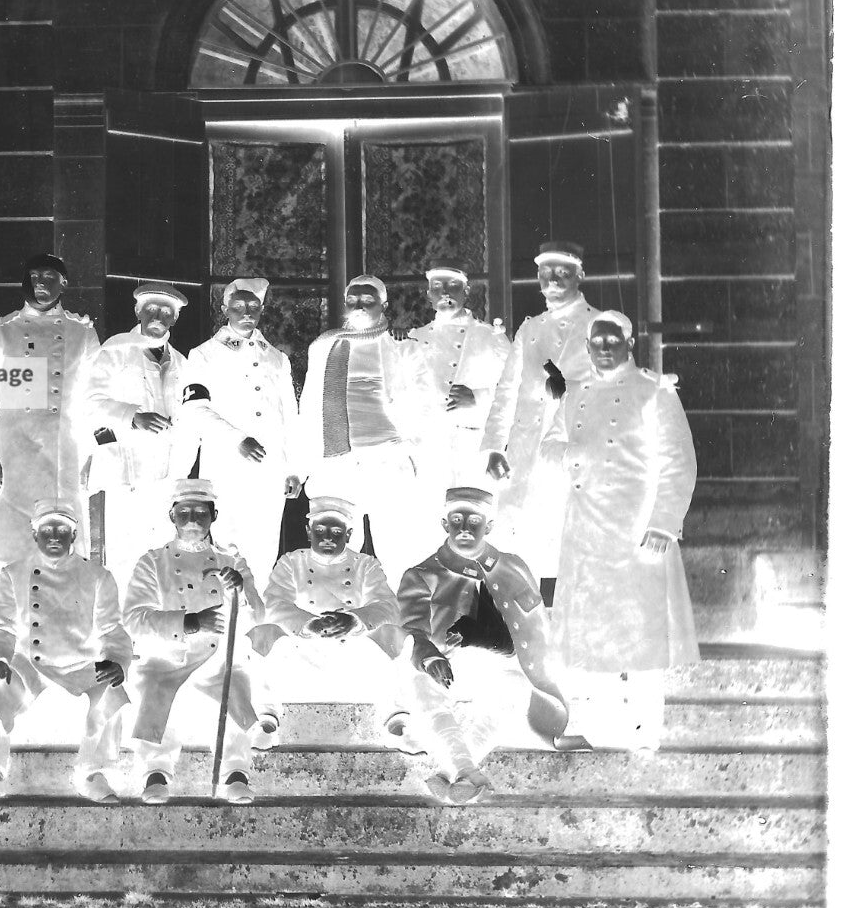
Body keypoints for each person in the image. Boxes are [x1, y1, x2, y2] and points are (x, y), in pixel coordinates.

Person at [543, 311, 698, 750]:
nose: (605, 348)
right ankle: (596, 728)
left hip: (638, 529)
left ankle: (645, 732)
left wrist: (664, 523)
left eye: (613, 340)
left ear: (629, 344)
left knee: (642, 631)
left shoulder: (654, 391)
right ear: (588, 347)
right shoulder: (575, 394)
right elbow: (548, 447)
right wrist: (569, 454)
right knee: (590, 631)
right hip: (587, 530)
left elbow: (679, 461)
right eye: (597, 342)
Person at [397, 487, 591, 804]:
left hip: (495, 669)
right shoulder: (422, 575)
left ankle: (454, 771)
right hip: (444, 668)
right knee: (420, 684)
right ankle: (465, 771)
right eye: (456, 520)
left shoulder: (513, 568)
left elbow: (537, 630)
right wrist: (430, 658)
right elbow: (412, 631)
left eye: (473, 521)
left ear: (488, 527)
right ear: (445, 524)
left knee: (516, 688)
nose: (464, 528)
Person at [0, 499, 133, 804]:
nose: (54, 536)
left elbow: (111, 630)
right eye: (46, 530)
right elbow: (3, 628)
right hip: (30, 663)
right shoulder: (13, 574)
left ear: (74, 535)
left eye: (62, 530)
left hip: (81, 663)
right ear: (35, 534)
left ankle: (93, 773)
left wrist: (117, 662)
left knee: (111, 688)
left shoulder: (99, 576)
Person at [122, 478, 265, 805]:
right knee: (156, 687)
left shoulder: (232, 561)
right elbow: (134, 619)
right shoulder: (153, 561)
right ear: (172, 516)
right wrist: (190, 623)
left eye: (200, 513)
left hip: (218, 659)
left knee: (235, 684)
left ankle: (236, 773)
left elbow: (258, 616)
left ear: (214, 515)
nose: (191, 520)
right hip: (168, 657)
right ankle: (156, 772)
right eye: (184, 512)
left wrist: (240, 592)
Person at [296, 276, 441, 587]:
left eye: (368, 299)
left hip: (388, 459)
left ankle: (403, 612)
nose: (359, 305)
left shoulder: (403, 347)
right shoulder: (324, 347)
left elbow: (427, 408)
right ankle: (339, 612)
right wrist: (300, 467)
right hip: (338, 463)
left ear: (383, 305)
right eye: (353, 300)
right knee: (338, 551)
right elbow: (308, 407)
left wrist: (417, 456)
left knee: (398, 547)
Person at [481, 241, 600, 583]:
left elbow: (614, 388)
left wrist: (568, 389)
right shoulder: (530, 329)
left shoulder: (598, 325)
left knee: (564, 543)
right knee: (520, 546)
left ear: (580, 275)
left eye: (563, 272)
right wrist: (494, 448)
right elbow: (505, 391)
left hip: (569, 449)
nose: (553, 280)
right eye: (546, 272)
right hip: (524, 450)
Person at [255, 496, 408, 752]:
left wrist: (354, 619)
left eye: (336, 532)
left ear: (348, 534)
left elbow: (387, 605)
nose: (328, 538)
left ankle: (398, 726)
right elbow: (274, 604)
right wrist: (309, 624)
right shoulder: (291, 562)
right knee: (266, 633)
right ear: (309, 532)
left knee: (391, 633)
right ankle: (267, 724)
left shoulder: (365, 565)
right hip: (303, 649)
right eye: (320, 530)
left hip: (352, 650)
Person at [0, 252, 100, 566]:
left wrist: (92, 454)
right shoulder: (4, 330)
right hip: (13, 453)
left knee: (64, 551)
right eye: (34, 277)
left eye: (48, 277)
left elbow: (95, 398)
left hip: (64, 453)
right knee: (13, 551)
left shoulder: (81, 331)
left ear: (63, 283)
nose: (40, 284)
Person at [179, 278, 300, 582]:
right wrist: (238, 439)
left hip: (270, 468)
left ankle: (256, 609)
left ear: (262, 309)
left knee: (264, 546)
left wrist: (294, 469)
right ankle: (228, 609)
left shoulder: (277, 358)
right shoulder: (204, 354)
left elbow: (290, 417)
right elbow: (195, 408)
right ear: (225, 310)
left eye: (253, 306)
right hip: (227, 465)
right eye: (238, 306)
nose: (247, 312)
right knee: (227, 546)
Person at [82, 281, 200, 593]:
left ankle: (156, 618)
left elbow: (192, 423)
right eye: (151, 309)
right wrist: (133, 417)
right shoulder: (114, 351)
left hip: (165, 474)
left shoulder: (184, 365)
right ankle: (124, 619)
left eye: (166, 311)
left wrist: (179, 472)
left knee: (161, 554)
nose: (158, 316)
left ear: (175, 318)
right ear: (138, 312)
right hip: (125, 469)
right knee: (124, 556)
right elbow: (89, 402)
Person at [408, 266, 511, 490]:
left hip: (474, 449)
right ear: (429, 295)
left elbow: (513, 392)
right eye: (437, 286)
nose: (445, 292)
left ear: (466, 291)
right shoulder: (415, 339)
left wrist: (478, 397)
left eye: (453, 285)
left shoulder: (491, 337)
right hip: (428, 452)